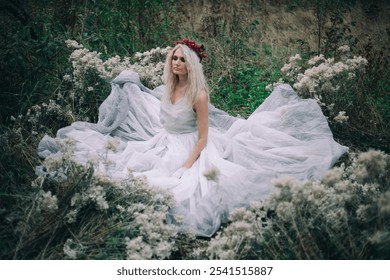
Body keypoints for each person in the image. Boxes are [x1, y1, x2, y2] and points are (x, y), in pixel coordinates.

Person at [38, 39, 348, 237]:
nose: (177, 63)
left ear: (192, 64)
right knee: (126, 164)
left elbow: (203, 137)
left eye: (183, 60)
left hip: (192, 146)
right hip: (164, 141)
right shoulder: (167, 88)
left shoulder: (198, 94)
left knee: (184, 187)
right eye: (174, 58)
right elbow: (165, 121)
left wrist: (187, 164)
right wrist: (159, 143)